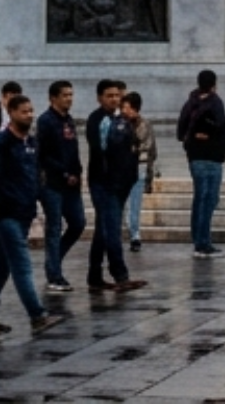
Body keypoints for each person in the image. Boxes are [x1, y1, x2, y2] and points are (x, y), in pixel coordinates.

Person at [0, 94, 63, 336]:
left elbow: (35, 173)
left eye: (31, 110)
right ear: (12, 113)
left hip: (25, 212)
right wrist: (3, 206)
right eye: (24, 111)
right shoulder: (0, 143)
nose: (30, 115)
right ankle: (37, 314)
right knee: (22, 265)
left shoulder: (31, 142)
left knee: (2, 267)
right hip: (7, 214)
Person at [82, 79, 143, 293]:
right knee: (112, 229)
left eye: (117, 95)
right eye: (109, 96)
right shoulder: (97, 120)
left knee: (103, 230)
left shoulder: (122, 119)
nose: (114, 99)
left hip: (120, 182)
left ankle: (94, 275)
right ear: (100, 97)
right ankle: (120, 274)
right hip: (105, 182)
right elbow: (102, 151)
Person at [35, 80, 85, 294]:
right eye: (65, 95)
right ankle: (54, 274)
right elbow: (43, 154)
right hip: (53, 183)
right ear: (53, 97)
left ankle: (53, 261)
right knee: (54, 227)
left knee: (78, 223)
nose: (69, 99)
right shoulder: (46, 121)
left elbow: (73, 150)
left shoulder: (69, 121)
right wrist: (63, 173)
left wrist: (77, 172)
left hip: (71, 184)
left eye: (71, 95)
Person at [177, 69, 225, 259]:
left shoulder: (190, 103)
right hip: (212, 157)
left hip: (195, 157)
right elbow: (222, 128)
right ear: (214, 84)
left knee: (200, 198)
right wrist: (221, 148)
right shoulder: (216, 103)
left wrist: (192, 139)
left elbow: (180, 130)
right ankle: (203, 243)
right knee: (209, 199)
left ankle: (198, 241)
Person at [122, 90, 155, 252]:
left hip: (138, 166)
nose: (124, 110)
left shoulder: (144, 125)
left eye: (127, 107)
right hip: (121, 167)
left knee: (135, 203)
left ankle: (135, 235)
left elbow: (149, 149)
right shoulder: (118, 123)